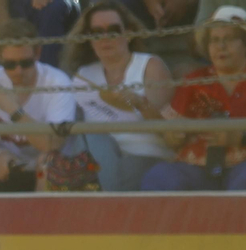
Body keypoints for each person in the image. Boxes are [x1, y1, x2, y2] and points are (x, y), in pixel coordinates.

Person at [140, 6, 246, 191]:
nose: (220, 46)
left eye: (229, 39)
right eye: (214, 40)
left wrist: (241, 137)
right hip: (198, 169)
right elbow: (170, 137)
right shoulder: (194, 81)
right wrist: (175, 136)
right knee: (160, 177)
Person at [59, 0, 174, 191]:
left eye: (113, 30)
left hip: (144, 156)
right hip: (96, 159)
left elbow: (166, 129)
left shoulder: (150, 66)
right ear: (88, 38)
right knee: (87, 139)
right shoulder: (83, 75)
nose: (105, 38)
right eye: (97, 32)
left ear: (128, 33)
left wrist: (138, 103)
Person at [0, 19, 75, 192]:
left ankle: (41, 218)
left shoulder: (57, 81)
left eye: (25, 63)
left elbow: (53, 144)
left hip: (46, 170)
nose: (18, 71)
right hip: (6, 167)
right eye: (10, 64)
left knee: (49, 162)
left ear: (37, 53)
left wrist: (15, 111)